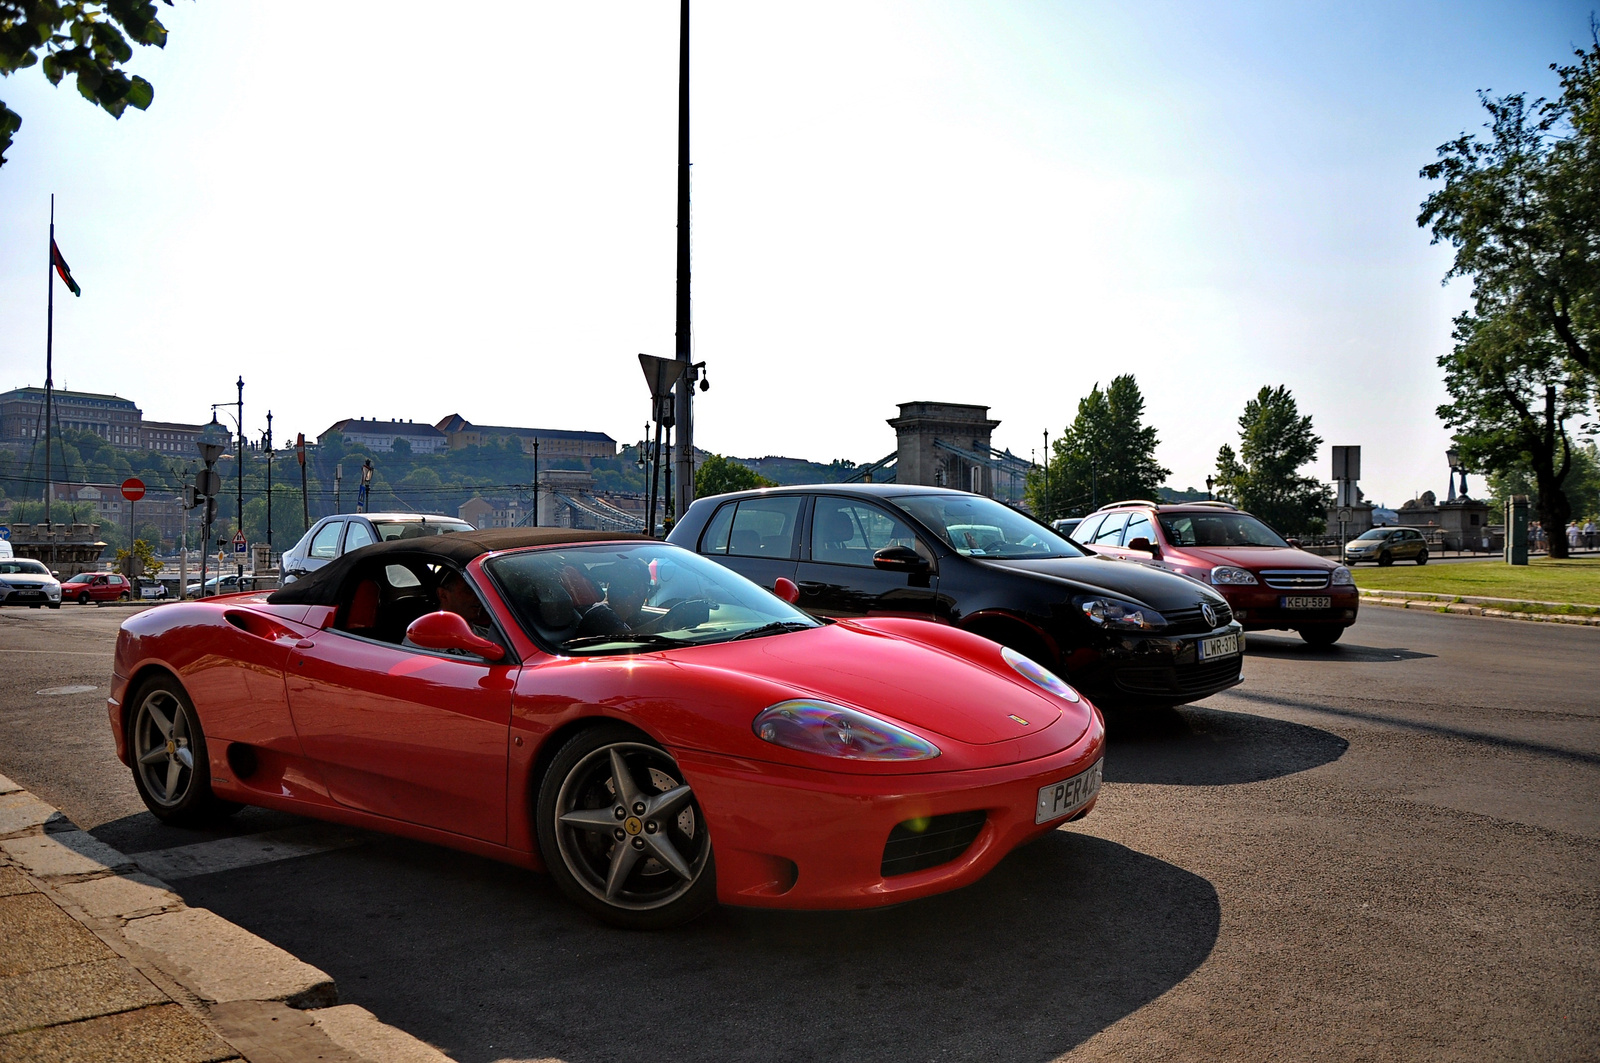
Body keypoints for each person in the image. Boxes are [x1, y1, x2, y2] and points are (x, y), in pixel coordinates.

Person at [436, 569, 493, 639]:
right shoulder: (427, 641)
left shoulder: (492, 639)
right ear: (443, 595)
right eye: (468, 590)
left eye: (479, 590)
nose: (478, 597)